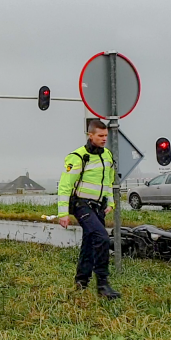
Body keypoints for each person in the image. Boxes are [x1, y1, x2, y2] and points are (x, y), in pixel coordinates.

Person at [57, 120, 121, 299]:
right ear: (90, 135)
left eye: (106, 136)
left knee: (89, 241)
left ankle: (81, 281)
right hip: (81, 204)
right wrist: (63, 213)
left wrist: (110, 203)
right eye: (100, 136)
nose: (104, 139)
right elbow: (65, 186)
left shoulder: (107, 155)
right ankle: (103, 284)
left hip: (98, 206)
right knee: (101, 238)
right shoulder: (78, 157)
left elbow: (108, 181)